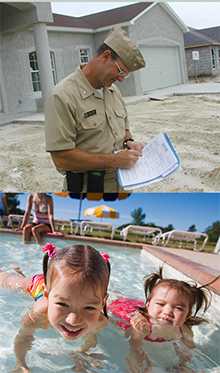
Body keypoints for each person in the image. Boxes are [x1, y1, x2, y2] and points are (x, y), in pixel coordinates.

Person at [45, 27, 145, 193]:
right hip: (87, 190)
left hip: (123, 185)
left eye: (125, 75)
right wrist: (114, 160)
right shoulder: (62, 96)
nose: (121, 79)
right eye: (121, 71)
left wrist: (129, 143)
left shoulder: (113, 91)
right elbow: (61, 159)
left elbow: (124, 130)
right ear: (105, 56)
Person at [0, 243, 111, 372]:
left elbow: (90, 338)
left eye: (89, 308)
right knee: (12, 281)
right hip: (37, 285)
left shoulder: (100, 321)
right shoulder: (38, 313)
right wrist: (21, 363)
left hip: (58, 287)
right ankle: (14, 273)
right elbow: (24, 336)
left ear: (102, 303)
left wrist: (82, 353)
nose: (73, 320)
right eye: (62, 304)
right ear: (48, 296)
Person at [109, 267, 213, 372]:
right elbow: (134, 346)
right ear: (148, 305)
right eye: (161, 304)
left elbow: (189, 351)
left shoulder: (184, 330)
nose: (168, 311)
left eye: (179, 308)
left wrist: (183, 364)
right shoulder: (143, 325)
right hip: (122, 308)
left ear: (188, 315)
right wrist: (137, 358)